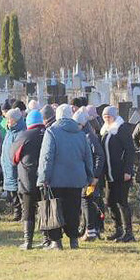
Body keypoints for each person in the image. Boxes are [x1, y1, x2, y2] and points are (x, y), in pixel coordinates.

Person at [37, 104, 93, 249]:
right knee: (73, 209)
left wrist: (43, 177)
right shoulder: (80, 133)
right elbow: (88, 156)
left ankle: (56, 241)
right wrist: (89, 175)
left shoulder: (51, 132)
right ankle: (73, 240)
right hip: (76, 178)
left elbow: (47, 157)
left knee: (55, 209)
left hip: (56, 178)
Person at [100, 106, 136, 243]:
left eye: (108, 116)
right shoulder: (106, 131)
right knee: (109, 202)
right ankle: (118, 229)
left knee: (122, 202)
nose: (106, 118)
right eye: (104, 116)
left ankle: (129, 233)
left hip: (121, 173)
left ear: (114, 116)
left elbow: (130, 150)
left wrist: (128, 170)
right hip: (110, 174)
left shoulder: (121, 129)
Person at [12, 110, 46, 249]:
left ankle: (28, 241)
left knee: (28, 210)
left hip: (28, 178)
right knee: (45, 209)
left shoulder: (24, 136)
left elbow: (13, 157)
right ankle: (47, 238)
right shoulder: (48, 133)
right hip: (46, 179)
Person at [76, 110, 104, 240]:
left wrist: (95, 175)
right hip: (86, 174)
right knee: (87, 201)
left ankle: (91, 230)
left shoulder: (89, 136)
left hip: (90, 176)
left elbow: (99, 155)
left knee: (87, 200)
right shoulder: (83, 134)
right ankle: (91, 229)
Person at [0, 107, 24, 221]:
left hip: (15, 166)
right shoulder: (9, 131)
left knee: (17, 192)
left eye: (9, 119)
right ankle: (16, 212)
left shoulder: (20, 132)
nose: (7, 122)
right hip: (7, 165)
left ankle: (19, 213)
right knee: (12, 192)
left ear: (15, 120)